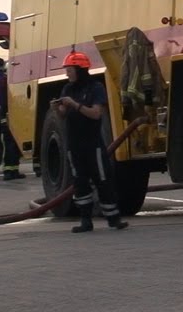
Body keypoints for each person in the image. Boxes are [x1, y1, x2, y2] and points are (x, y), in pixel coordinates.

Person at [53, 51, 128, 233]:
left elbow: (96, 114)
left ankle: (114, 219)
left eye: (70, 70)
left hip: (93, 144)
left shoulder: (95, 88)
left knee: (102, 179)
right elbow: (63, 115)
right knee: (80, 182)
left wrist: (75, 104)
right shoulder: (68, 89)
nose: (67, 73)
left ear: (80, 69)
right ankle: (85, 220)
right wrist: (57, 109)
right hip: (74, 145)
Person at [0, 59, 25, 180]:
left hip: (12, 118)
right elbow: (4, 103)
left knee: (14, 146)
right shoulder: (6, 84)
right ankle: (8, 171)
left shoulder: (10, 83)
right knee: (10, 146)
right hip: (8, 119)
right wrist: (4, 120)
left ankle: (14, 170)